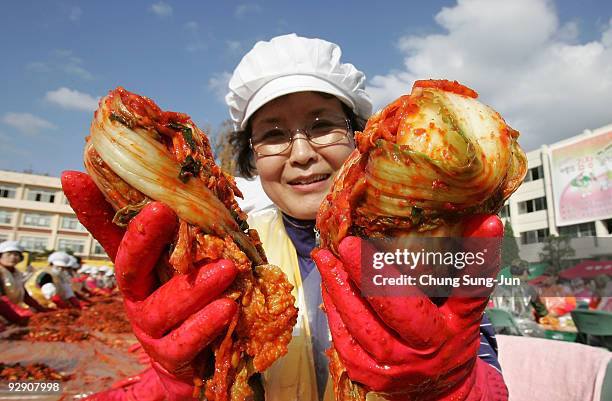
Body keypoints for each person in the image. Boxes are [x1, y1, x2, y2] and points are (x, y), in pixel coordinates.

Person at [67, 34, 507, 401]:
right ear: (252, 158)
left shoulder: (427, 243)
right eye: (273, 135)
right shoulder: (222, 256)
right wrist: (177, 383)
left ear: (362, 140)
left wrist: (453, 386)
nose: (301, 154)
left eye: (321, 126)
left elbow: (485, 367)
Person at [0, 241, 48, 325]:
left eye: (16, 255)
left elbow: (25, 296)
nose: (13, 257)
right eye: (9, 254)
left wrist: (42, 310)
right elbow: (2, 299)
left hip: (13, 312)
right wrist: (20, 313)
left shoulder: (16, 273)